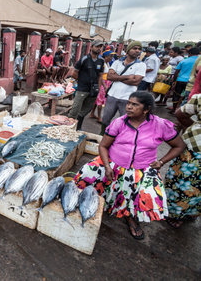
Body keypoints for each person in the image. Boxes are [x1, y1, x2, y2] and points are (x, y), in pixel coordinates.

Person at [74, 91, 185, 239]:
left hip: (143, 168)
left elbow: (179, 146)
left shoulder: (160, 125)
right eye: (128, 103)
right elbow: (103, 146)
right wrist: (107, 166)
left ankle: (131, 216)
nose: (129, 107)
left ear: (146, 109)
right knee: (86, 173)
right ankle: (91, 202)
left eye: (135, 105)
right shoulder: (120, 122)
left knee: (150, 194)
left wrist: (161, 161)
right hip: (113, 163)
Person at [164, 94, 201, 228]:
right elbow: (180, 113)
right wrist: (194, 126)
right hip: (195, 148)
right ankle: (174, 213)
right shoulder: (199, 98)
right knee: (182, 182)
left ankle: (192, 212)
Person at [101, 41, 146, 133]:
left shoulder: (141, 65)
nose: (137, 51)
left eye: (139, 49)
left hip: (128, 98)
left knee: (126, 121)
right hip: (112, 95)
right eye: (135, 48)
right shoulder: (117, 62)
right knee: (105, 119)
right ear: (128, 50)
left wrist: (116, 77)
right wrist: (128, 76)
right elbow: (109, 77)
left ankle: (121, 138)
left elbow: (136, 81)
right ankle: (103, 134)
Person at [68, 40, 104, 130]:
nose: (98, 48)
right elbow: (74, 73)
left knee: (86, 109)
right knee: (75, 109)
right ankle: (67, 128)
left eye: (100, 47)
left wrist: (99, 88)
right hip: (82, 89)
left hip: (93, 90)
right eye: (97, 46)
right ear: (91, 47)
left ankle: (78, 127)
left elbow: (100, 76)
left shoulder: (101, 60)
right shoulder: (84, 59)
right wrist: (82, 81)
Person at [170, 47, 200, 113]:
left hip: (180, 80)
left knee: (176, 95)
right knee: (186, 97)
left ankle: (174, 109)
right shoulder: (198, 62)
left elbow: (176, 72)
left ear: (190, 53)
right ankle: (182, 110)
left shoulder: (183, 61)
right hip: (191, 82)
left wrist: (174, 80)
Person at [90, 50, 114, 123]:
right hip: (102, 83)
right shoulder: (102, 63)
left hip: (106, 83)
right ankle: (99, 117)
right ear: (106, 56)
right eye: (110, 56)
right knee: (100, 100)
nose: (112, 58)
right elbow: (100, 76)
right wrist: (104, 86)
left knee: (98, 99)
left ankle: (92, 113)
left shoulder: (107, 63)